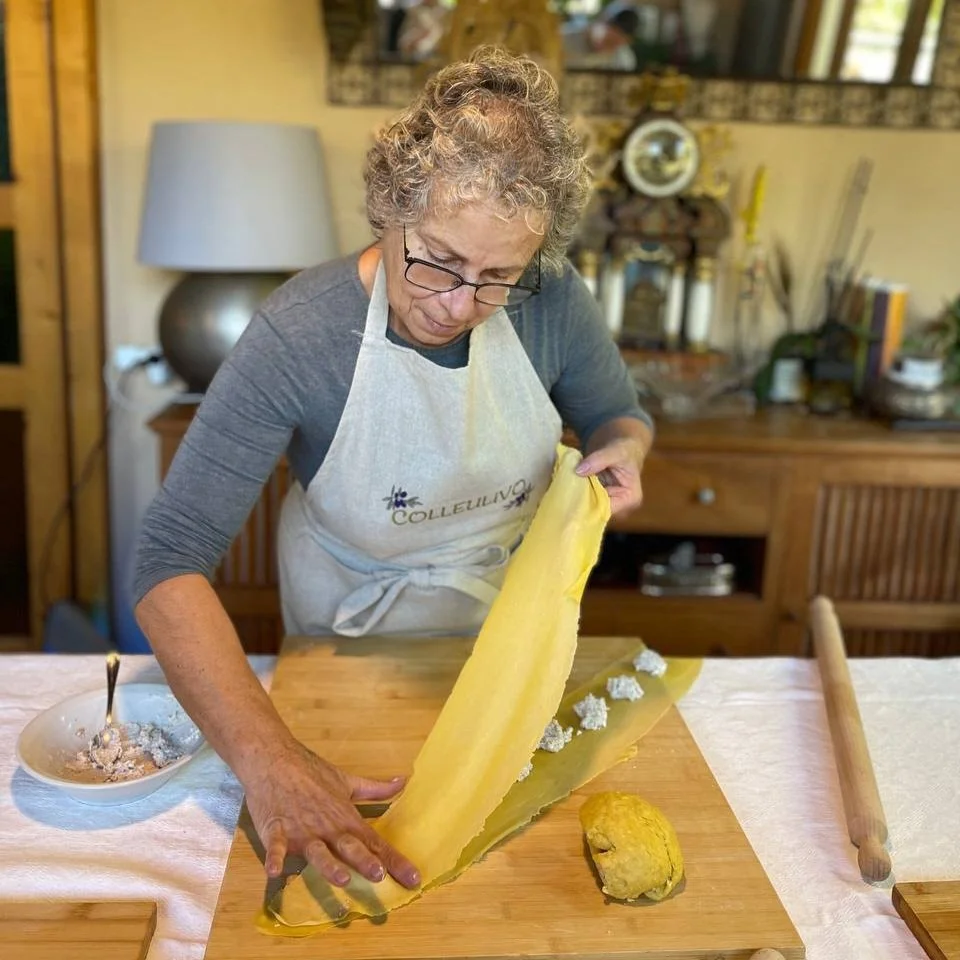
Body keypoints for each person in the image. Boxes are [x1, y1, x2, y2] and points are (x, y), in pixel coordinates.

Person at [133, 46, 653, 896]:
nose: (458, 304)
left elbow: (618, 417)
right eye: (438, 261)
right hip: (342, 653)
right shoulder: (301, 334)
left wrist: (622, 451)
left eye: (496, 280)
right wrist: (269, 759)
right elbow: (167, 561)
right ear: (391, 206)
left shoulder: (553, 299)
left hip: (502, 645)